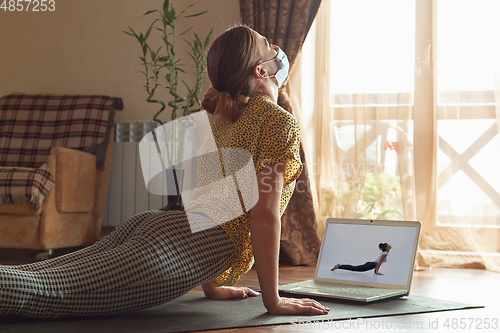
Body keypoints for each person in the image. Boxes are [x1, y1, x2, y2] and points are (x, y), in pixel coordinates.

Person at [0, 26, 329, 318]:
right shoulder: (277, 121)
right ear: (261, 70)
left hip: (162, 228)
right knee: (39, 292)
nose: (277, 50)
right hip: (174, 250)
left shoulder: (222, 116)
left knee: (35, 276)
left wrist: (213, 287)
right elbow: (263, 217)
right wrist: (274, 302)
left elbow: (203, 201)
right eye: (270, 44)